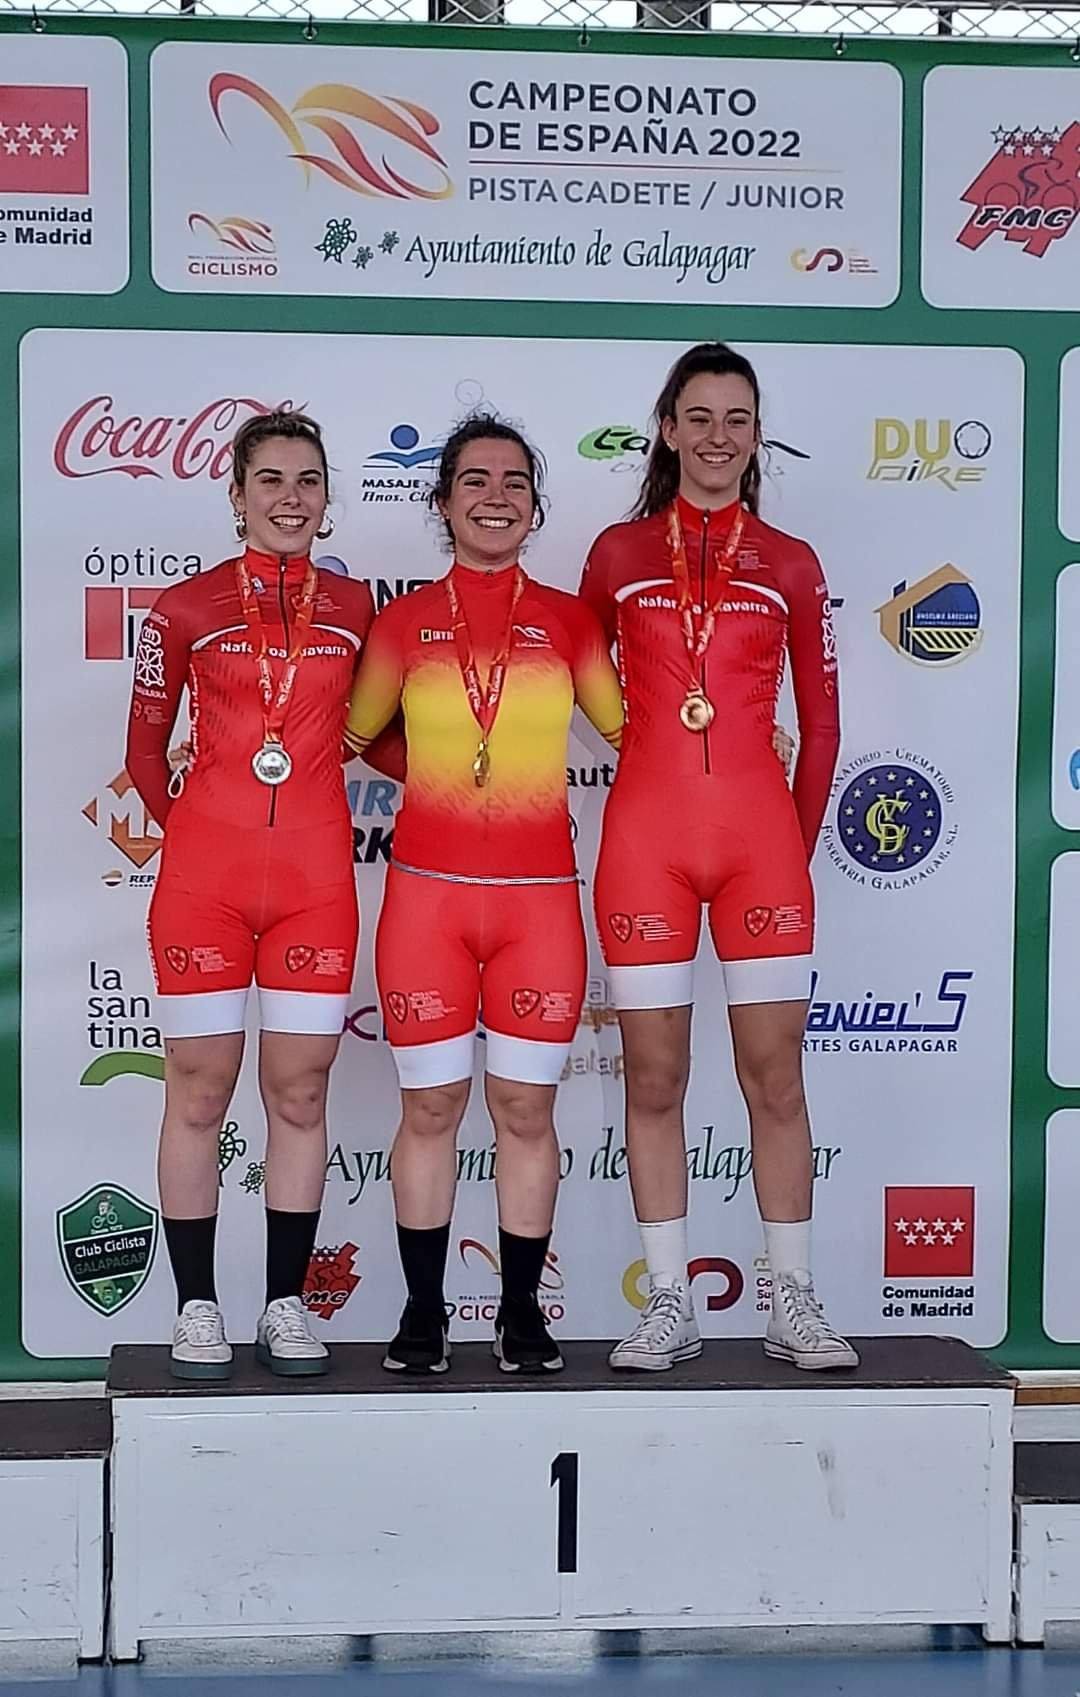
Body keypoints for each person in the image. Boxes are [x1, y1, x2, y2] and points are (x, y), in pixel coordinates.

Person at [580, 343, 857, 1372]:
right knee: (655, 1077)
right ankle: (669, 1300)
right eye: (698, 417)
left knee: (775, 1078)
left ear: (756, 435)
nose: (717, 437)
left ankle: (793, 1300)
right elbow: (577, 683)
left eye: (737, 419)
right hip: (645, 843)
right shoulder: (617, 553)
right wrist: (645, 742)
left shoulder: (790, 561)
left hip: (761, 848)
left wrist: (795, 841)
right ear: (666, 428)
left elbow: (822, 727)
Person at [344, 415, 624, 1375]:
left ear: (535, 506)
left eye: (514, 482)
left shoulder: (571, 622)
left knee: (524, 1112)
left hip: (538, 904)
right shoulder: (402, 624)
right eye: (475, 480)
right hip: (427, 901)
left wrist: (752, 744)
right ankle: (424, 1312)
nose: (495, 497)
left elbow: (635, 735)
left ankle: (520, 1313)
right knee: (430, 1109)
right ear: (443, 501)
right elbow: (349, 738)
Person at [126, 409, 388, 1381]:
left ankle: (285, 1302)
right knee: (199, 1089)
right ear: (236, 496)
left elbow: (384, 735)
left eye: (308, 479)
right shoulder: (184, 608)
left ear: (326, 497)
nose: (291, 496)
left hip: (315, 884)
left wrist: (480, 785)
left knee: (301, 1090)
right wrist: (202, 833)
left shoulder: (355, 606)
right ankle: (196, 1305)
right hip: (206, 884)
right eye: (270, 479)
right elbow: (142, 754)